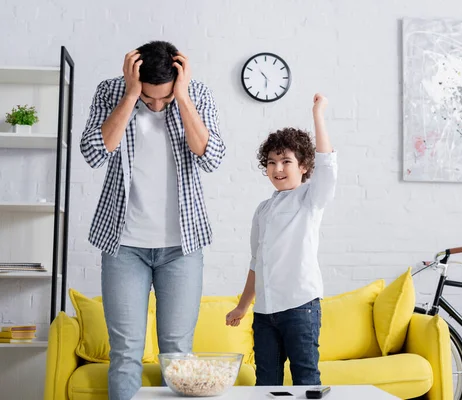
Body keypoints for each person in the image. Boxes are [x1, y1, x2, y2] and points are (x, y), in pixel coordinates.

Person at [80, 40, 225, 400]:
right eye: (149, 99)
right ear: (133, 76)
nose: (157, 106)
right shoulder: (111, 92)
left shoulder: (196, 93)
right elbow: (93, 153)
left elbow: (212, 158)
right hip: (123, 246)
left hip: (182, 247)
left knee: (176, 350)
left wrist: (184, 98)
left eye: (165, 99)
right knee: (126, 352)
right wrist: (131, 98)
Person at [225, 93, 337, 386]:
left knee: (305, 379)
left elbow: (327, 165)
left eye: (286, 161)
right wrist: (243, 306)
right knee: (266, 383)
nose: (277, 169)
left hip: (300, 307)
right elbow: (256, 263)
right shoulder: (263, 210)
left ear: (303, 166)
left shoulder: (310, 199)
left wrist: (318, 115)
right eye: (272, 162)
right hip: (264, 314)